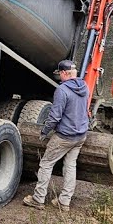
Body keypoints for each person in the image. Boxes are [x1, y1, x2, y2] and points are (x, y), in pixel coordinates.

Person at [24, 60, 90, 212]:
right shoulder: (84, 86)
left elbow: (54, 117)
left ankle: (38, 199)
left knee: (46, 163)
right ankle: (64, 202)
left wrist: (44, 131)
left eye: (60, 73)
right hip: (81, 135)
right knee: (70, 165)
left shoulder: (62, 90)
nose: (59, 76)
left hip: (65, 136)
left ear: (64, 73)